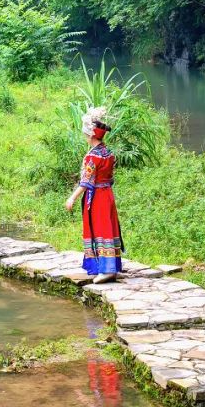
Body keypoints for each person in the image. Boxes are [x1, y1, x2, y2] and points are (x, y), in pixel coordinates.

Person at [64, 106, 124, 283]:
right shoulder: (109, 154)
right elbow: (110, 178)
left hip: (97, 197)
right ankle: (110, 267)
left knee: (100, 229)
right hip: (108, 195)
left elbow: (86, 182)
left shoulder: (92, 157)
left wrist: (72, 198)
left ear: (91, 135)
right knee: (109, 227)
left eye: (85, 134)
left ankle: (106, 269)